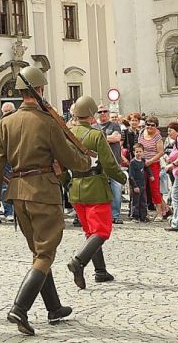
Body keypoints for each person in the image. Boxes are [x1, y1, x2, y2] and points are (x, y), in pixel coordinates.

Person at [0, 66, 90, 336]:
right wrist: (86, 163)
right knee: (45, 254)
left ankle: (54, 308)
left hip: (17, 194)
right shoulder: (46, 121)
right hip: (42, 192)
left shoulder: (5, 123)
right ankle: (20, 308)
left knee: (38, 253)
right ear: (39, 90)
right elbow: (68, 156)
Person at [65, 96, 126, 289]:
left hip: (75, 187)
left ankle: (100, 271)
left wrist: (66, 182)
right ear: (92, 115)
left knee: (90, 232)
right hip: (95, 187)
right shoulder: (96, 135)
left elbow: (57, 163)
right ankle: (78, 261)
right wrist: (124, 178)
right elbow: (109, 163)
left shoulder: (67, 134)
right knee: (101, 231)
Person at [95, 104, 124, 224]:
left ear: (108, 112)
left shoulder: (114, 125)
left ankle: (115, 215)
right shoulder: (94, 126)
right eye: (100, 112)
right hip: (98, 163)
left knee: (116, 188)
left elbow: (116, 138)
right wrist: (108, 138)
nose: (102, 113)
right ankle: (102, 214)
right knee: (99, 190)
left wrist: (100, 138)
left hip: (114, 161)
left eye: (105, 111)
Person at [138, 116, 166, 220]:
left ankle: (159, 213)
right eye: (148, 125)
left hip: (153, 164)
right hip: (142, 163)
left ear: (156, 126)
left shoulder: (157, 136)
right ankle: (144, 212)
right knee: (142, 187)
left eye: (152, 125)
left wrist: (150, 161)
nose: (149, 127)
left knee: (154, 188)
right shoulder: (141, 132)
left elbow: (161, 152)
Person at [164, 122, 178, 230]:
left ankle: (177, 223)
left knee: (176, 197)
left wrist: (172, 165)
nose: (168, 133)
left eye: (170, 131)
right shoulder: (175, 142)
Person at [129, 143, 153, 222]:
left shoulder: (143, 161)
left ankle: (143, 216)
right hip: (136, 184)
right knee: (135, 202)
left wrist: (150, 175)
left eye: (140, 151)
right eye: (137, 152)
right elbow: (131, 176)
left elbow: (147, 168)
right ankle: (135, 216)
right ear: (134, 152)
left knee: (143, 201)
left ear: (143, 152)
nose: (138, 153)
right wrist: (134, 186)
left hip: (143, 184)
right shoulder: (132, 163)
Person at [0, 102, 16, 221]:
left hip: (16, 158)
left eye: (9, 111)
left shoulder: (18, 123)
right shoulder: (0, 124)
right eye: (5, 112)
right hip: (5, 159)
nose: (7, 114)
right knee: (5, 185)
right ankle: (8, 211)